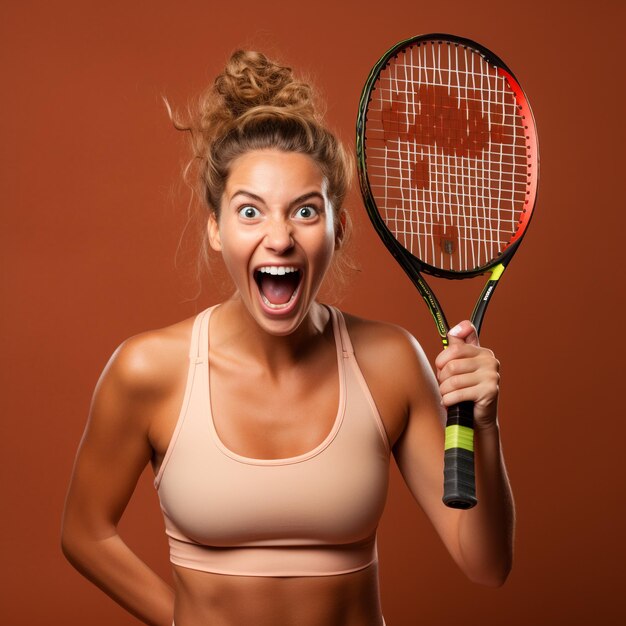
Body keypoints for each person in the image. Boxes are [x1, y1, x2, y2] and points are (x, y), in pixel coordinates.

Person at [61, 50, 514, 626]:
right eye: (250, 212)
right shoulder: (149, 369)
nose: (279, 237)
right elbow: (84, 533)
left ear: (337, 229)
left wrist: (483, 428)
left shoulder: (391, 362)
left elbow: (486, 565)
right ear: (216, 230)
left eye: (304, 211)